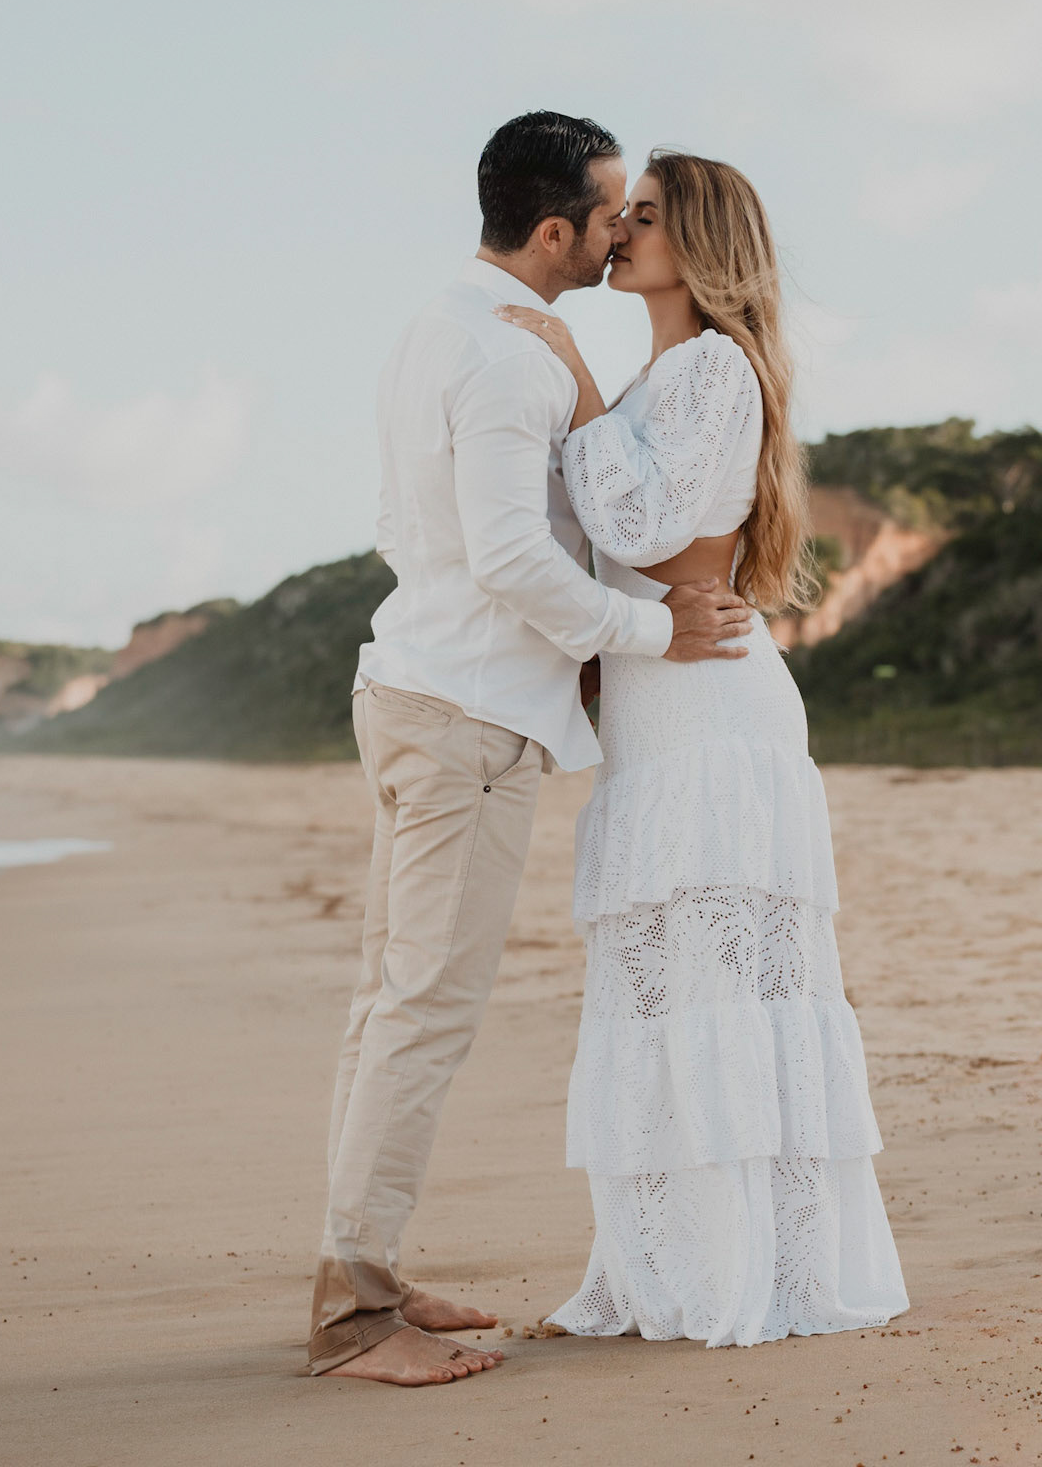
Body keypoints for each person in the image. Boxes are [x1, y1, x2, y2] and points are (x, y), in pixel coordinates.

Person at [307, 114, 755, 1386]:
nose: (624, 229)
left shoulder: (438, 327)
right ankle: (352, 1317)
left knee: (384, 1004)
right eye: (614, 210)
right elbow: (510, 557)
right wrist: (652, 626)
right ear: (555, 229)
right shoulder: (507, 361)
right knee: (422, 1011)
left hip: (417, 685)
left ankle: (363, 1271)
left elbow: (413, 525)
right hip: (464, 717)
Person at [498, 149, 909, 1347]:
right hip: (653, 707)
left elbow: (643, 522)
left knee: (725, 993)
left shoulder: (716, 368)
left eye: (646, 214)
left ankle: (751, 1270)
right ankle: (672, 1264)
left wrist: (570, 376)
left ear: (706, 242)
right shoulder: (659, 378)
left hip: (711, 715)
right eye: (619, 211)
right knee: (662, 994)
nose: (619, 229)